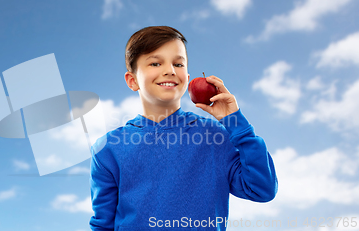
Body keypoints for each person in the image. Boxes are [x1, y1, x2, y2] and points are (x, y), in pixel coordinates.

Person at [89, 25, 278, 231]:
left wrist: (235, 121)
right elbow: (102, 224)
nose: (170, 70)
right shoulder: (108, 148)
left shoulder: (214, 136)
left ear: (187, 78)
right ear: (132, 80)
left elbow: (262, 189)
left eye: (178, 64)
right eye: (155, 63)